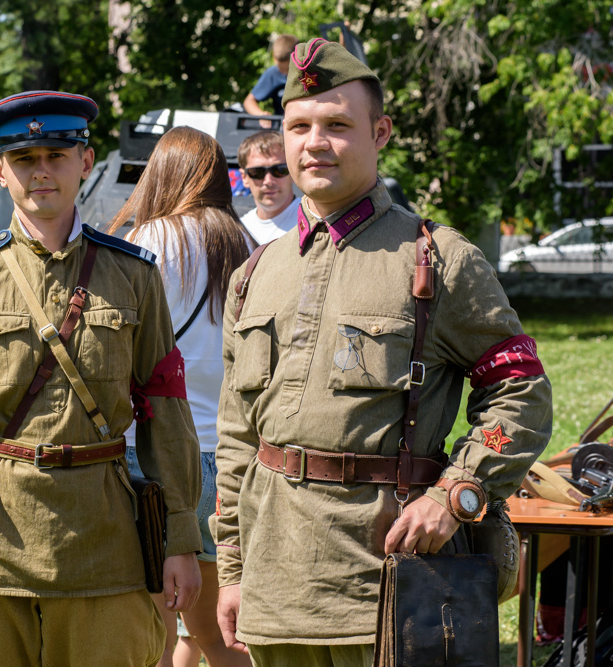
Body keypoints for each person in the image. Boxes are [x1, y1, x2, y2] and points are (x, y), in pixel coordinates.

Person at [214, 38, 553, 666]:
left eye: (338, 125)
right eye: (299, 127)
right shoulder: (255, 274)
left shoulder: (439, 260)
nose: (315, 142)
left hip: (392, 586)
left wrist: (458, 492)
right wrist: (232, 570)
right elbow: (238, 437)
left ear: (381, 132)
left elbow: (522, 391)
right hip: (275, 583)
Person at [0, 90, 203, 667]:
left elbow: (167, 412)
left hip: (106, 549)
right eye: (24, 158)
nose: (42, 172)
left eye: (57, 154)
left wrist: (181, 536)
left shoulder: (134, 275)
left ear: (85, 162)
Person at [109, 126, 252, 667]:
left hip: (152, 453)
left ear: (160, 175)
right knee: (220, 634)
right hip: (230, 456)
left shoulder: (148, 242)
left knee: (153, 633)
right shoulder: (247, 243)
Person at [237, 130, 301, 244]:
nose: (268, 181)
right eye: (257, 172)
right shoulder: (239, 231)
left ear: (292, 171)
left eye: (279, 170)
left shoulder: (315, 220)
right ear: (244, 177)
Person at [243, 34, 297, 117]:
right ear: (274, 58)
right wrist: (261, 114)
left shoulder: (310, 73)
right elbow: (249, 101)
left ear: (297, 58)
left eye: (287, 69)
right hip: (283, 123)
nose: (283, 72)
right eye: (280, 67)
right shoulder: (273, 74)